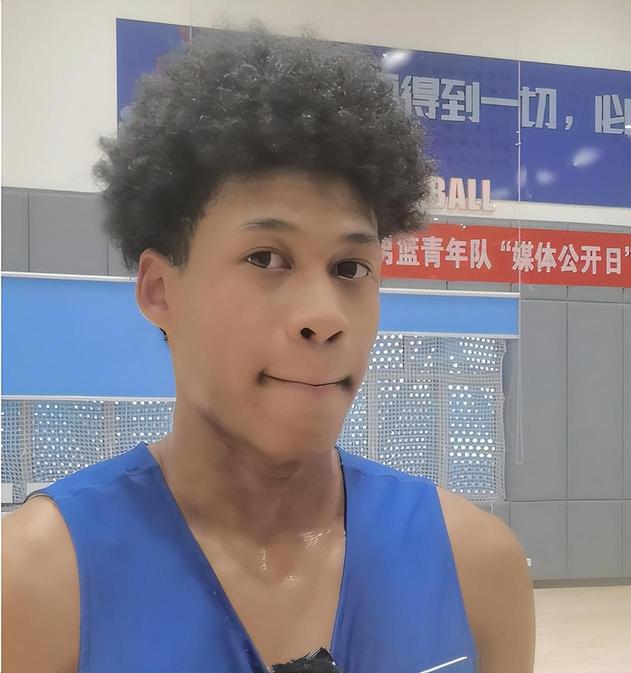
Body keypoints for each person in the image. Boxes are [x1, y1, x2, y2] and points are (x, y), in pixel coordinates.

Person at [2, 27, 535, 673]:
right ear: (160, 290)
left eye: (350, 268)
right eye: (266, 258)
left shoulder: (475, 565)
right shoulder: (37, 578)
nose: (324, 318)